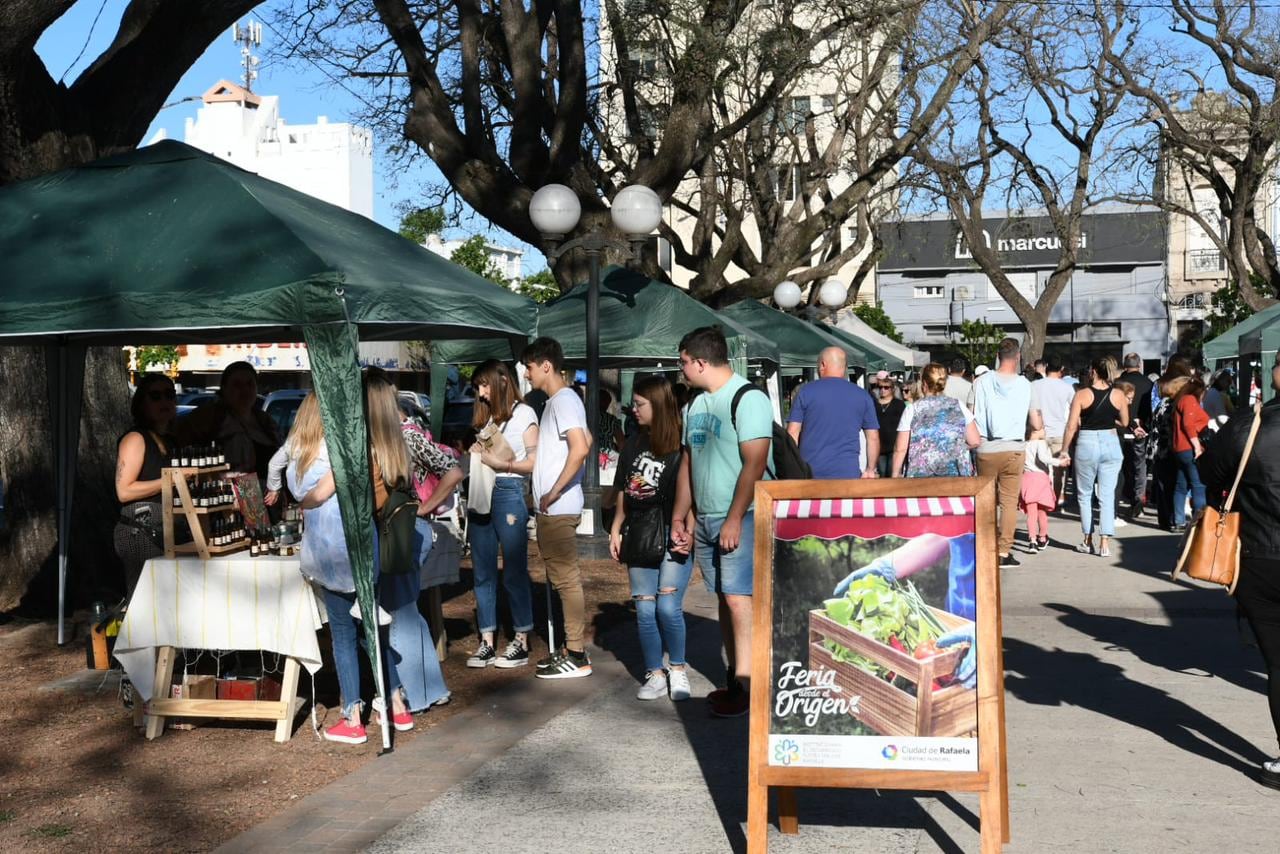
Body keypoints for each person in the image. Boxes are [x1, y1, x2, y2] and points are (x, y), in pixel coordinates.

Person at [285, 390, 409, 744]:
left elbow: (306, 493)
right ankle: (396, 703)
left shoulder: (303, 452)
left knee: (342, 634)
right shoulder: (352, 442)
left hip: (328, 553)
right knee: (373, 629)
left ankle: (353, 715)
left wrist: (308, 501)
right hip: (362, 542)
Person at [671, 326, 772, 717]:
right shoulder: (694, 406)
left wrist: (733, 518)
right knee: (724, 600)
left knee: (738, 598)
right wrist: (682, 514)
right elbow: (688, 464)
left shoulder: (748, 398)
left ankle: (748, 686)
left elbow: (756, 463)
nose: (681, 370)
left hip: (742, 516)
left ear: (699, 361)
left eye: (683, 363)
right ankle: (735, 679)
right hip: (709, 517)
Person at [1200, 363, 1280, 790]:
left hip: (1261, 557)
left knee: (1278, 662)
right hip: (1262, 555)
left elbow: (1209, 473)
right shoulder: (1249, 425)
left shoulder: (1249, 427)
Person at [610, 376, 694, 701]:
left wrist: (688, 528)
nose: (634, 409)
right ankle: (654, 673)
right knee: (645, 610)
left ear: (658, 405)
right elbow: (624, 490)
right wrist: (616, 528)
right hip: (640, 533)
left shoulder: (681, 445)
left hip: (673, 532)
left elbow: (692, 493)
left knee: (668, 607)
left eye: (640, 403)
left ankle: (678, 668)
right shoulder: (632, 442)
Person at [523, 338, 593, 679]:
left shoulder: (563, 400)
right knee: (562, 579)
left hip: (559, 506)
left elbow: (580, 448)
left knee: (566, 581)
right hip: (555, 506)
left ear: (546, 365)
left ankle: (577, 653)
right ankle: (571, 648)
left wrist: (553, 491)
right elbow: (587, 441)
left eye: (530, 367)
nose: (527, 373)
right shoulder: (561, 401)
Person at [463, 360, 539, 669]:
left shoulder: (524, 414)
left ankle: (521, 637)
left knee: (514, 569)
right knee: (482, 570)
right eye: (478, 387)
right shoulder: (486, 418)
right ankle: (487, 640)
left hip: (509, 490)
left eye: (484, 385)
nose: (481, 393)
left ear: (502, 381)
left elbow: (535, 462)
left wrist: (502, 464)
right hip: (483, 491)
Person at [832, 533, 977, 687]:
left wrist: (988, 633)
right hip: (956, 628)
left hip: (998, 638)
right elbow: (949, 533)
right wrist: (888, 566)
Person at [971, 338, 1039, 568]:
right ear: (1018, 356)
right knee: (1009, 503)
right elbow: (1036, 421)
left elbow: (971, 413)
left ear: (998, 356)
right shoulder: (1025, 385)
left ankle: (985, 546)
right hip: (1014, 447)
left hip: (987, 447)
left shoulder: (981, 382)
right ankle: (1003, 550)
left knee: (986, 501)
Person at [1059, 359, 1130, 557]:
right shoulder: (1118, 394)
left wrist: (1064, 449)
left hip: (1087, 442)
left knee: (1085, 493)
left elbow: (1072, 425)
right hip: (1111, 441)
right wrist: (1110, 419)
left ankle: (1087, 539)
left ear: (1092, 372)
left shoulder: (1081, 394)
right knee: (1107, 495)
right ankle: (1105, 543)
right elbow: (1125, 421)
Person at [114, 374, 178, 594]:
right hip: (140, 531)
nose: (164, 401)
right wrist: (172, 479)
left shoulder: (170, 439)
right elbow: (124, 491)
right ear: (142, 402)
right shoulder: (136, 438)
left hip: (166, 529)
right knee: (144, 604)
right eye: (155, 396)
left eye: (170, 395)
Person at [179, 361, 281, 485]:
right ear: (224, 388)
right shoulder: (207, 418)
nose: (245, 390)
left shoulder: (266, 421)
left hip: (268, 494)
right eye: (237, 385)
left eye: (250, 384)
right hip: (227, 494)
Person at [786, 347, 879, 479]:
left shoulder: (805, 392)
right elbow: (873, 437)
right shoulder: (862, 396)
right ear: (844, 367)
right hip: (848, 473)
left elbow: (792, 433)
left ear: (823, 365)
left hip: (810, 473)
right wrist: (870, 469)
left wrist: (792, 469)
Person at [891, 362, 979, 478]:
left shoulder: (912, 409)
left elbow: (900, 449)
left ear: (924, 384)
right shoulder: (958, 406)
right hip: (955, 475)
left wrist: (895, 474)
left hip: (920, 476)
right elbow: (975, 441)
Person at [1151, 356, 1195, 530]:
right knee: (1178, 482)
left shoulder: (1159, 389)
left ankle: (1165, 517)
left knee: (1163, 481)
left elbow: (1152, 411)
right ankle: (1174, 517)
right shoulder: (1182, 399)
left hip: (1159, 445)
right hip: (1175, 443)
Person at [1170, 376, 1210, 533]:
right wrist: (1197, 446)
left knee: (1181, 486)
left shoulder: (1180, 400)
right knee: (1198, 486)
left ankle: (1179, 521)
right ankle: (1199, 523)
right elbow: (1188, 423)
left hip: (1180, 449)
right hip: (1190, 449)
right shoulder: (1189, 400)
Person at [1116, 353, 1154, 518]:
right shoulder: (1148, 383)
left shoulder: (1117, 383)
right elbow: (1150, 408)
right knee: (1139, 466)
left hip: (1119, 429)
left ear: (1125, 365)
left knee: (1121, 466)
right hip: (1140, 429)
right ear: (1140, 364)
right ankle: (1137, 500)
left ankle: (1123, 495)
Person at [1021, 424, 1066, 551]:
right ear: (1035, 431)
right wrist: (1059, 462)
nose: (1045, 430)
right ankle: (1042, 537)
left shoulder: (1024, 444)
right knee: (1042, 512)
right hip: (1040, 479)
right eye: (1042, 428)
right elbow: (1043, 458)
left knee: (1031, 513)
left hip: (1027, 478)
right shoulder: (1040, 443)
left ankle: (1032, 541)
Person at [1037, 361, 1076, 504]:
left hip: (1039, 431)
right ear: (1062, 369)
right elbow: (1074, 409)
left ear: (1046, 367)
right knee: (1059, 470)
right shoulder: (1067, 387)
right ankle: (1057, 498)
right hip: (1060, 431)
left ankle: (1042, 498)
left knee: (1040, 468)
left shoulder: (1035, 385)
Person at [872, 372, 906, 477]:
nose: (883, 389)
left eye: (886, 387)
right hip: (879, 446)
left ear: (892, 389)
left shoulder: (899, 404)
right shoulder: (874, 404)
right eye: (880, 387)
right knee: (882, 474)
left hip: (894, 446)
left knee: (892, 474)